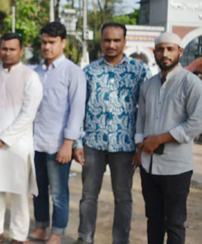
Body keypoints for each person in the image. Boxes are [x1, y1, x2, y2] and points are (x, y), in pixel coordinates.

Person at [73, 23, 150, 244]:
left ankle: (121, 240)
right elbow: (79, 108)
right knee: (88, 197)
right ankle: (84, 238)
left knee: (123, 198)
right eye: (107, 40)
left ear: (125, 42)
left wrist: (140, 145)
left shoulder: (140, 70)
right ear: (101, 41)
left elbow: (146, 110)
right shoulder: (89, 71)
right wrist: (78, 142)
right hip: (93, 144)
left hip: (125, 147)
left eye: (117, 40)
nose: (112, 45)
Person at [135, 32, 202, 244]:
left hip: (176, 168)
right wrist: (140, 147)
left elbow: (197, 124)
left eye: (170, 49)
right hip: (149, 165)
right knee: (153, 219)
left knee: (175, 223)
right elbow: (141, 119)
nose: (164, 54)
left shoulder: (192, 85)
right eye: (160, 49)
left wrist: (159, 139)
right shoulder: (148, 85)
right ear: (154, 52)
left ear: (180, 52)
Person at [0, 33, 43, 244]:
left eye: (12, 49)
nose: (7, 53)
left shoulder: (30, 76)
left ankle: (18, 237)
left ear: (20, 51)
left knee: (18, 192)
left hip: (17, 144)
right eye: (4, 49)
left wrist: (3, 140)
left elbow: (28, 115)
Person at [29, 22, 86, 244]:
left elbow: (77, 109)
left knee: (59, 194)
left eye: (52, 42)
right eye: (44, 42)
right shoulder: (35, 71)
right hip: (35, 142)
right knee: (38, 190)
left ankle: (57, 234)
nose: (47, 47)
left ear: (63, 43)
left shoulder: (73, 72)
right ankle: (41, 228)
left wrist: (68, 143)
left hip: (58, 144)